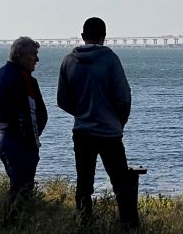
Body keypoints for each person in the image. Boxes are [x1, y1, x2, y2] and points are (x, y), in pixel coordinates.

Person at [57, 17, 134, 226]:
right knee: (121, 183)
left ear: (82, 36)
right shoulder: (111, 60)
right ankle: (127, 225)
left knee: (84, 183)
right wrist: (119, 122)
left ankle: (84, 223)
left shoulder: (68, 61)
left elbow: (62, 100)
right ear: (104, 36)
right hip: (110, 133)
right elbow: (124, 97)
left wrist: (82, 112)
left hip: (82, 132)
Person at [0, 36, 48, 224]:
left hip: (1, 136)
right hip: (19, 140)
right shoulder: (24, 79)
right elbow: (30, 113)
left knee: (16, 184)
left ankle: (11, 222)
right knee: (23, 187)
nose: (37, 60)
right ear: (22, 56)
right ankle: (14, 224)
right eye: (34, 55)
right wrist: (33, 142)